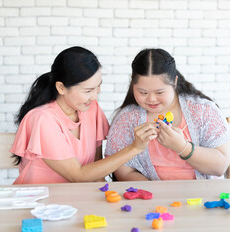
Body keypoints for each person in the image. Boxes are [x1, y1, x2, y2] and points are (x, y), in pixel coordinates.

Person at [11, 46, 158, 184]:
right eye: (88, 91)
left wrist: (104, 193)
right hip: (40, 202)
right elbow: (78, 176)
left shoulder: (90, 109)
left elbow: (97, 166)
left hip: (78, 199)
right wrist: (135, 148)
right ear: (61, 88)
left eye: (98, 86)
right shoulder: (42, 119)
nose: (94, 96)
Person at [105, 48, 230, 181]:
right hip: (151, 198)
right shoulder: (127, 118)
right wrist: (155, 193)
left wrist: (182, 147)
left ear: (175, 82)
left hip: (202, 196)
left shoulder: (203, 110)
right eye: (143, 92)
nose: (152, 99)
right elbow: (123, 171)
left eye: (159, 92)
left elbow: (220, 166)